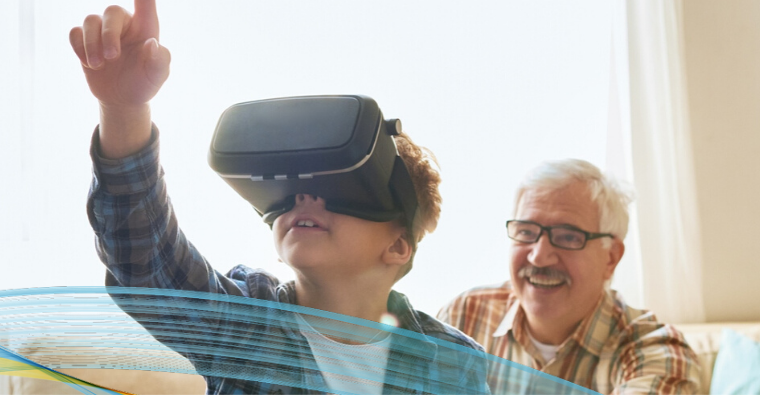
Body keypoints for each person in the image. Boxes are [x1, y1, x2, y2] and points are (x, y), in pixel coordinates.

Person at [70, 1, 487, 393]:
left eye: (338, 188)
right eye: (288, 193)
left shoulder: (453, 362)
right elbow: (146, 262)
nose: (304, 196)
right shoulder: (246, 324)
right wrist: (123, 111)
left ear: (398, 245)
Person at [438, 159, 701, 395]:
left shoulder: (654, 352)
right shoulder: (464, 317)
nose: (539, 257)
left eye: (568, 237)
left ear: (611, 257)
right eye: (527, 232)